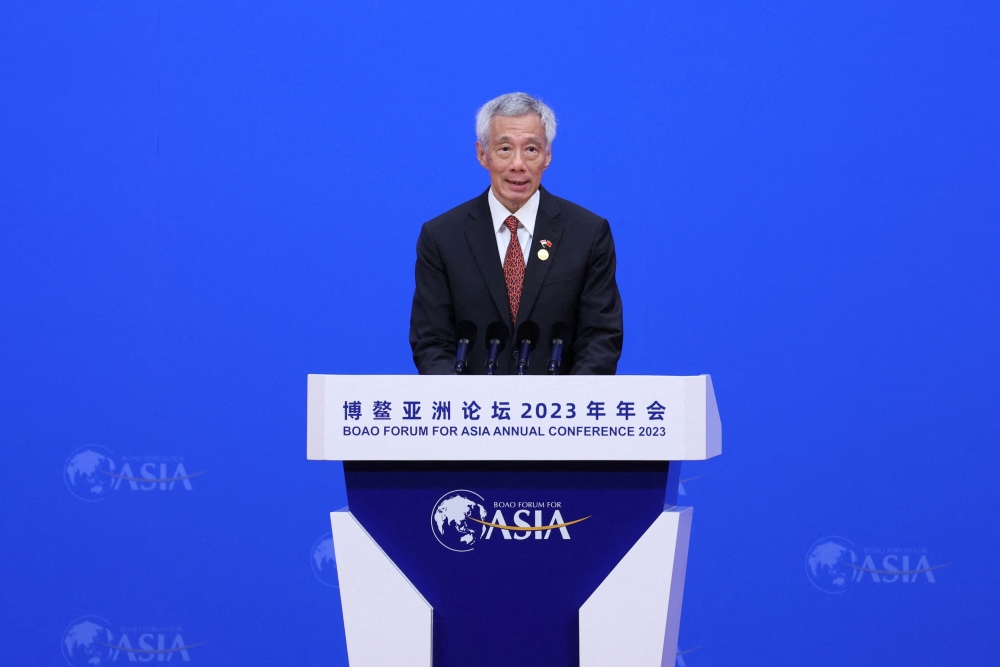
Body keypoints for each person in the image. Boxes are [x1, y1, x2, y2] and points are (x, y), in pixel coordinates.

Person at [409, 92, 623, 375]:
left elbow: (601, 338)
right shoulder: (442, 236)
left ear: (547, 155)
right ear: (482, 154)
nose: (518, 164)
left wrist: (569, 407)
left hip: (557, 414)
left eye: (531, 149)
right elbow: (431, 342)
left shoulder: (587, 233)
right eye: (505, 149)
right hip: (471, 413)